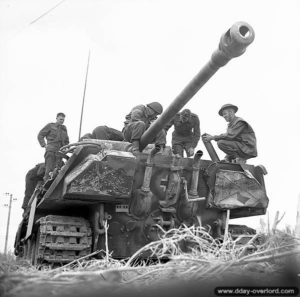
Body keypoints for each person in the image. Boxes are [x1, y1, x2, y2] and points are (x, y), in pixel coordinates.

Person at [38, 112, 69, 181]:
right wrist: (44, 145)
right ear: (57, 118)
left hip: (60, 152)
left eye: (63, 119)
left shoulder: (64, 129)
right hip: (51, 150)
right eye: (61, 119)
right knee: (49, 169)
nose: (62, 121)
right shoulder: (50, 126)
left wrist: (67, 148)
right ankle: (46, 183)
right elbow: (40, 135)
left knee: (57, 170)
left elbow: (67, 141)